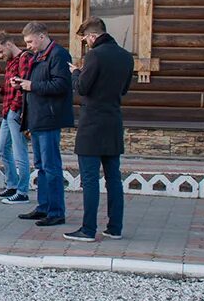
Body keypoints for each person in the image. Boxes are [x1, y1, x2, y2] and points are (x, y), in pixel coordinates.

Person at [65, 17, 134, 242]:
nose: (85, 43)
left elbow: (83, 88)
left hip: (92, 125)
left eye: (85, 39)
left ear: (93, 36)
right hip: (114, 122)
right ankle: (115, 227)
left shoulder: (94, 55)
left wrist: (76, 72)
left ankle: (87, 229)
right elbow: (123, 89)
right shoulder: (125, 56)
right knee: (114, 178)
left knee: (90, 179)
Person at [15, 21, 75, 227]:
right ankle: (44, 206)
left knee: (51, 167)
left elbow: (62, 84)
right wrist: (23, 84)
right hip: (37, 118)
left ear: (42, 36)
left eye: (30, 41)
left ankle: (57, 211)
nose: (28, 46)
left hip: (50, 119)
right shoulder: (38, 57)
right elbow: (40, 84)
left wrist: (32, 85)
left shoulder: (58, 55)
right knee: (41, 166)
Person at [0, 31, 34, 205]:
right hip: (7, 112)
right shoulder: (10, 62)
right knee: (2, 149)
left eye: (1, 51)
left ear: (8, 44)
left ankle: (22, 192)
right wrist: (0, 90)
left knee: (19, 152)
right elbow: (12, 89)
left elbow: (24, 87)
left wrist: (16, 108)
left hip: (15, 112)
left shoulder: (24, 58)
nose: (0, 56)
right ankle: (12, 185)